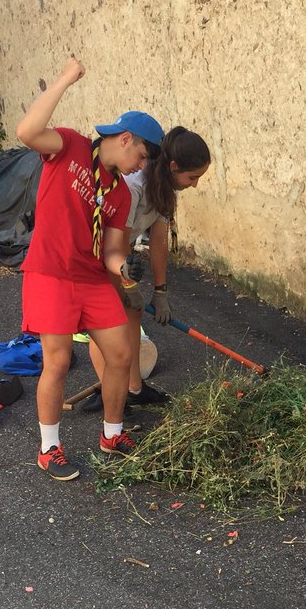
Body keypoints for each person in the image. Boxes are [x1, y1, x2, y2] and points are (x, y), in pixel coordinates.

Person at [15, 56, 164, 481]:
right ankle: (49, 449)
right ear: (126, 139)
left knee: (121, 353)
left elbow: (112, 250)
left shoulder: (120, 193)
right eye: (142, 156)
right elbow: (26, 132)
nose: (141, 167)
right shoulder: (70, 146)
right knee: (58, 361)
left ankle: (111, 435)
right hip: (51, 273)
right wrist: (65, 79)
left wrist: (124, 267)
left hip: (91, 279)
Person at [80, 127, 212, 413]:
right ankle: (111, 395)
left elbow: (159, 240)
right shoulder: (134, 184)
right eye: (192, 177)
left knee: (133, 315)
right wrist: (128, 287)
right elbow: (116, 240)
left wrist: (160, 291)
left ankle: (134, 389)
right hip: (100, 254)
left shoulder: (164, 187)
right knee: (108, 323)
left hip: (122, 254)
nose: (194, 184)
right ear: (173, 166)